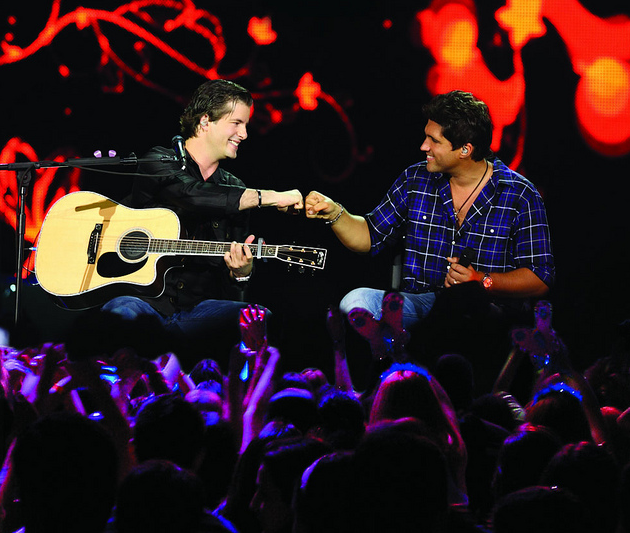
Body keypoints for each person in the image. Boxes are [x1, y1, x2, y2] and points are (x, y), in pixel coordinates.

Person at [305, 90, 555, 359]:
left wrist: (480, 280)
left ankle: (406, 351)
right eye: (426, 137)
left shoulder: (520, 194)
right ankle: (392, 359)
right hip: (420, 304)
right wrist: (334, 213)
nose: (424, 146)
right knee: (353, 303)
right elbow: (369, 235)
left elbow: (540, 277)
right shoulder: (415, 179)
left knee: (464, 301)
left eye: (434, 140)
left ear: (465, 150)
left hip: (486, 312)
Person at [102, 79, 303, 365]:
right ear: (205, 121)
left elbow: (230, 287)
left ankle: (239, 391)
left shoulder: (237, 189)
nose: (244, 134)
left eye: (246, 125)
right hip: (141, 303)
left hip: (196, 312)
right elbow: (192, 195)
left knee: (259, 318)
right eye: (236, 123)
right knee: (119, 316)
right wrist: (270, 197)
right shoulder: (158, 161)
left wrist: (240, 274)